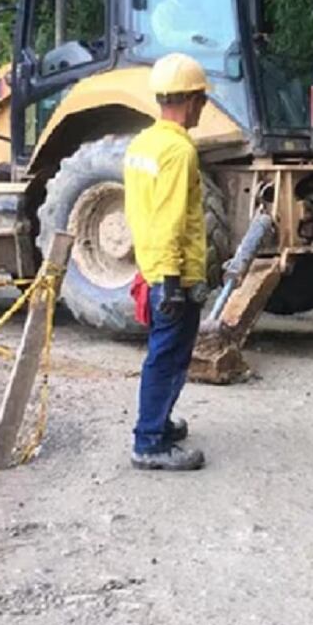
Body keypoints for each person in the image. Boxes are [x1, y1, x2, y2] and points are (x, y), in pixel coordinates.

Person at [123, 53, 211, 471]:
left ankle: (159, 423)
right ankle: (149, 442)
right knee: (167, 357)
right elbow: (170, 218)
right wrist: (173, 283)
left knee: (168, 354)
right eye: (202, 100)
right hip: (173, 275)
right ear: (191, 101)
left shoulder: (142, 144)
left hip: (153, 267)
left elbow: (143, 213)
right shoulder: (178, 151)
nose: (203, 108)